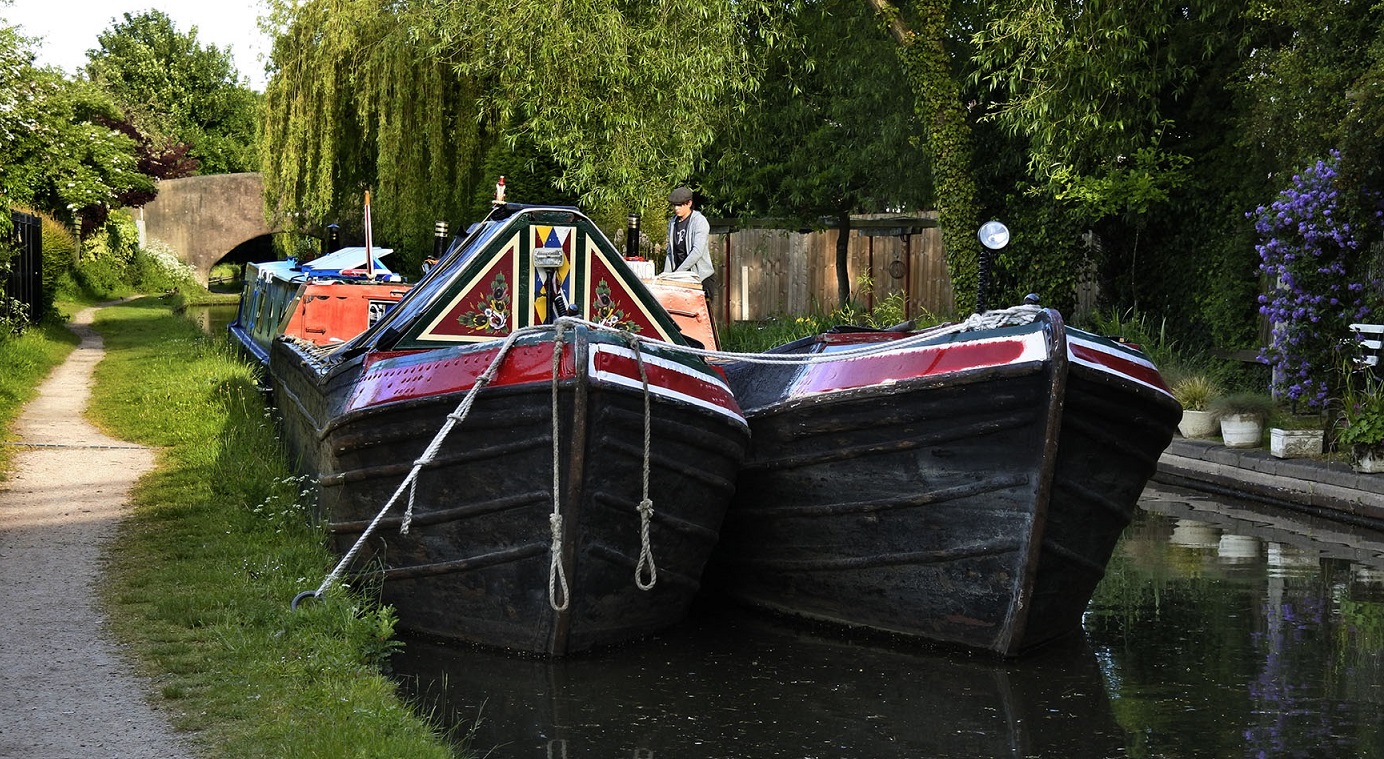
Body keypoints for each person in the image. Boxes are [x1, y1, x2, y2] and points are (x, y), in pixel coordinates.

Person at [664, 186, 716, 306]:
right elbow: (670, 252)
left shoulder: (700, 222)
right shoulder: (673, 223)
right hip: (678, 279)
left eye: (680, 205)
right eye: (674, 205)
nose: (676, 208)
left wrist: (677, 274)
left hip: (700, 278)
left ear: (689, 203)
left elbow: (697, 252)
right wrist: (666, 276)